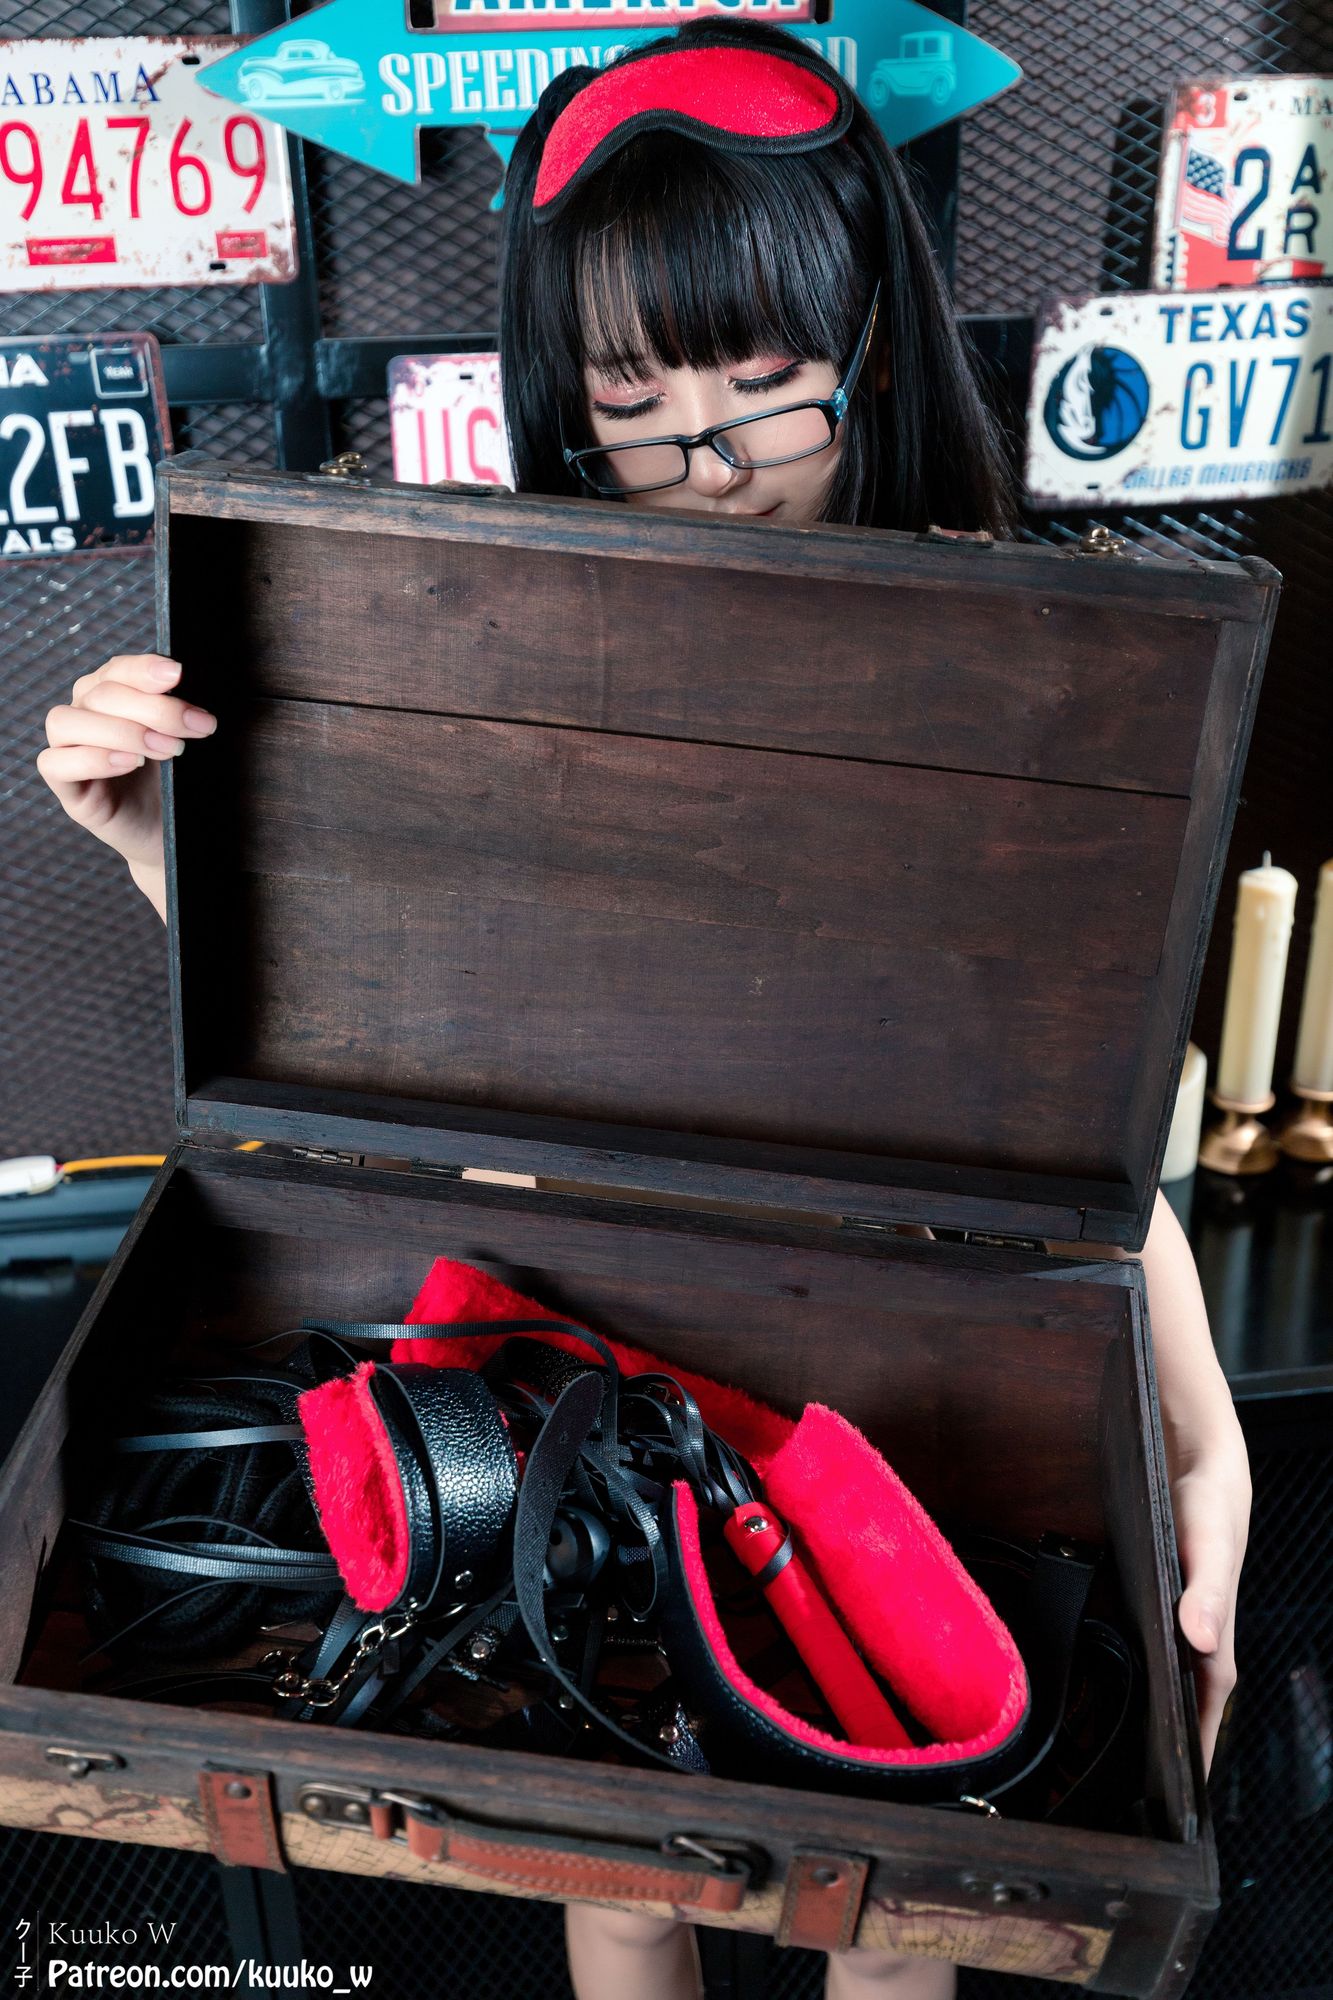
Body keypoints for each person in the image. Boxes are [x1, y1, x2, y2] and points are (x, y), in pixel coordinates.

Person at [36, 23, 1249, 2000]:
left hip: (903, 1359)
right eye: (632, 394)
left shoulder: (1019, 658)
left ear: (868, 337)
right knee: (610, 1880)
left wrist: (1201, 1430)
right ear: (562, 395)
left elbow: (1082, 1142)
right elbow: (388, 1038)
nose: (711, 449)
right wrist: (171, 854)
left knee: (888, 1921)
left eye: (762, 377)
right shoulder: (482, 632)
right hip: (572, 1347)